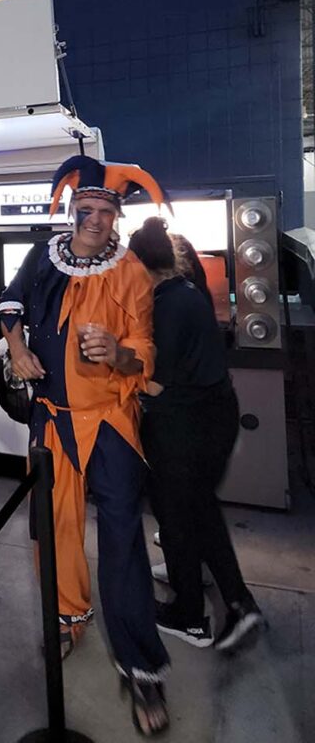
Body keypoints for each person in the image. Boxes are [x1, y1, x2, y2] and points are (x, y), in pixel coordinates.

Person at [0, 155, 171, 737]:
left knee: (122, 540)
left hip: (109, 422)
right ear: (72, 212)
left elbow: (145, 350)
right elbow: (9, 303)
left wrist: (116, 353)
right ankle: (68, 615)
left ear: (117, 220)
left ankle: (140, 663)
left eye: (103, 213)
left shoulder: (133, 274)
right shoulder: (43, 257)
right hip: (50, 421)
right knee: (54, 526)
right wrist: (16, 348)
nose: (92, 220)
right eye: (84, 210)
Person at [128, 217, 264, 653]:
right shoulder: (189, 292)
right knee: (201, 508)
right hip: (216, 413)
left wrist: (111, 362)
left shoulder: (165, 307)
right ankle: (240, 603)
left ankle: (190, 615)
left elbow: (156, 383)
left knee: (176, 512)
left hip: (183, 425)